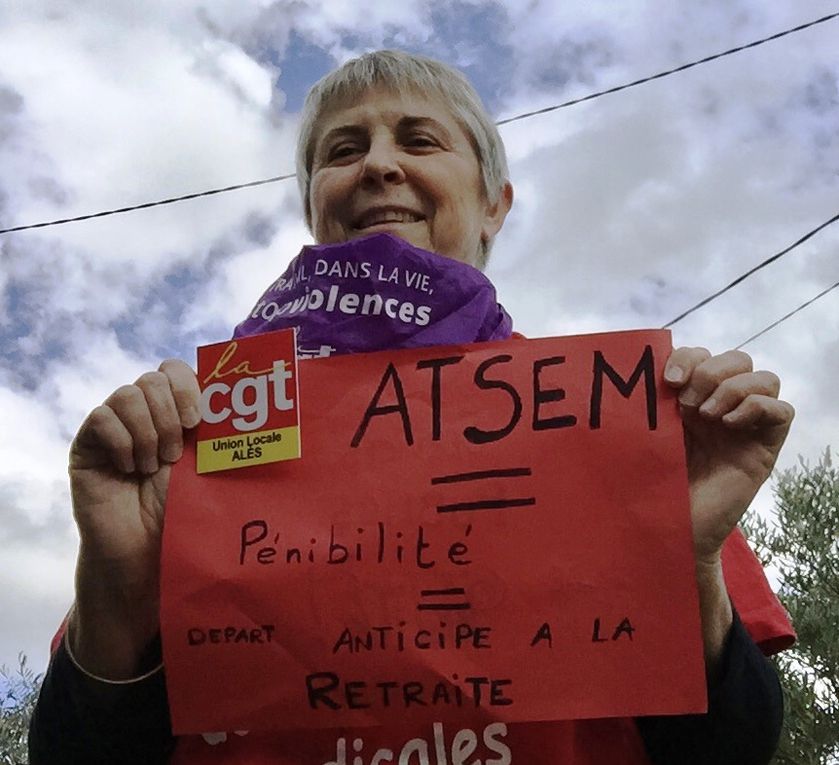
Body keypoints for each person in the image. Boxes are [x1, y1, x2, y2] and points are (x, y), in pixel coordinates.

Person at [29, 49, 795, 765]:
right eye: (342, 150)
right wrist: (120, 593)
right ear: (313, 207)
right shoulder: (208, 425)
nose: (379, 165)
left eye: (420, 140)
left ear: (493, 203)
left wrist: (679, 569)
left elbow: (732, 748)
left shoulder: (607, 420)